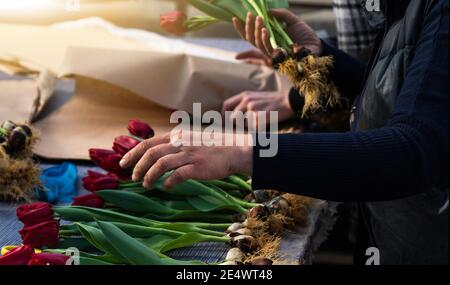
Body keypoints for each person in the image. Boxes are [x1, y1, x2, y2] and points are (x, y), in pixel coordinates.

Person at [120, 0, 449, 264]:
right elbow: (403, 97)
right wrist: (320, 58)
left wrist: (246, 150)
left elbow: (411, 151)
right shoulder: (403, 10)